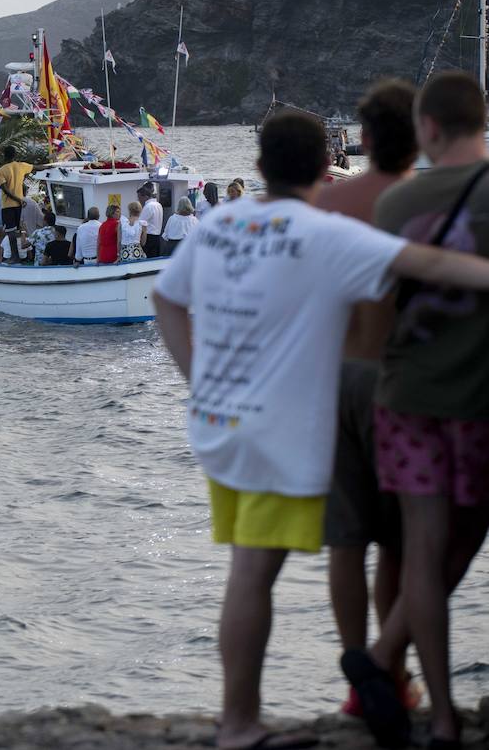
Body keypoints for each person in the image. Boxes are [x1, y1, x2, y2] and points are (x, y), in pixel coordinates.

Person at [152, 109, 489, 750]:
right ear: (321, 168)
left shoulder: (219, 223)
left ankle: (238, 718)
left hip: (220, 424)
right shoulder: (323, 234)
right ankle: (238, 725)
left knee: (248, 568)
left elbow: (167, 299)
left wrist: (198, 379)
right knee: (253, 572)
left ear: (259, 168)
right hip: (275, 430)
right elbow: (430, 263)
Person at [346, 71, 489, 749]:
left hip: (408, 398)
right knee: (460, 541)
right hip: (482, 399)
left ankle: (439, 717)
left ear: (428, 128)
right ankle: (387, 669)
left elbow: (376, 299)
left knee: (424, 550)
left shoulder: (398, 205)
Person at [311, 79, 420, 723]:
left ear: (366, 138)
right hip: (400, 382)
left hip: (334, 378)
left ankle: (358, 682)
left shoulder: (325, 201)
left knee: (346, 541)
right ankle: (392, 670)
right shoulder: (423, 203)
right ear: (423, 135)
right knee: (401, 543)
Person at [0, 147, 34, 263]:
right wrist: (50, 165)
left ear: (4, 156)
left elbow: (5, 190)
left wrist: (17, 199)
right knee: (17, 229)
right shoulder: (21, 165)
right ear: (15, 155)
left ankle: (15, 256)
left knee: (10, 232)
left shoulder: (1, 170)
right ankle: (20, 256)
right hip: (18, 205)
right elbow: (36, 167)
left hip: (8, 205)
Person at [138, 183, 164, 256]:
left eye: (139, 197)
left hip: (148, 238)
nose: (139, 200)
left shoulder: (148, 206)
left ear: (145, 196)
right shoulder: (158, 205)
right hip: (157, 237)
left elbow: (140, 223)